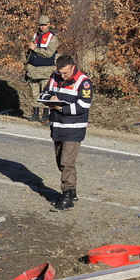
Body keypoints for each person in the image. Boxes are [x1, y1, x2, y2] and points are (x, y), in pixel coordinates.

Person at [40, 55, 92, 212]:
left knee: (66, 163)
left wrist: (62, 108)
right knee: (60, 161)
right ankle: (73, 191)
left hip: (74, 129)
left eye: (66, 73)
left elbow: (84, 105)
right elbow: (43, 95)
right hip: (57, 127)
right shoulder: (54, 77)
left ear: (73, 67)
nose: (63, 76)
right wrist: (51, 99)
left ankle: (67, 197)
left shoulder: (84, 82)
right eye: (60, 72)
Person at [24, 15, 59, 122]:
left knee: (45, 93)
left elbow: (49, 53)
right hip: (33, 71)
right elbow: (30, 52)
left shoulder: (53, 38)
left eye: (44, 25)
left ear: (49, 24)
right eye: (41, 25)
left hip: (45, 71)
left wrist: (35, 49)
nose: (42, 27)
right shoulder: (35, 36)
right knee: (34, 94)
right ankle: (35, 115)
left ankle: (45, 116)